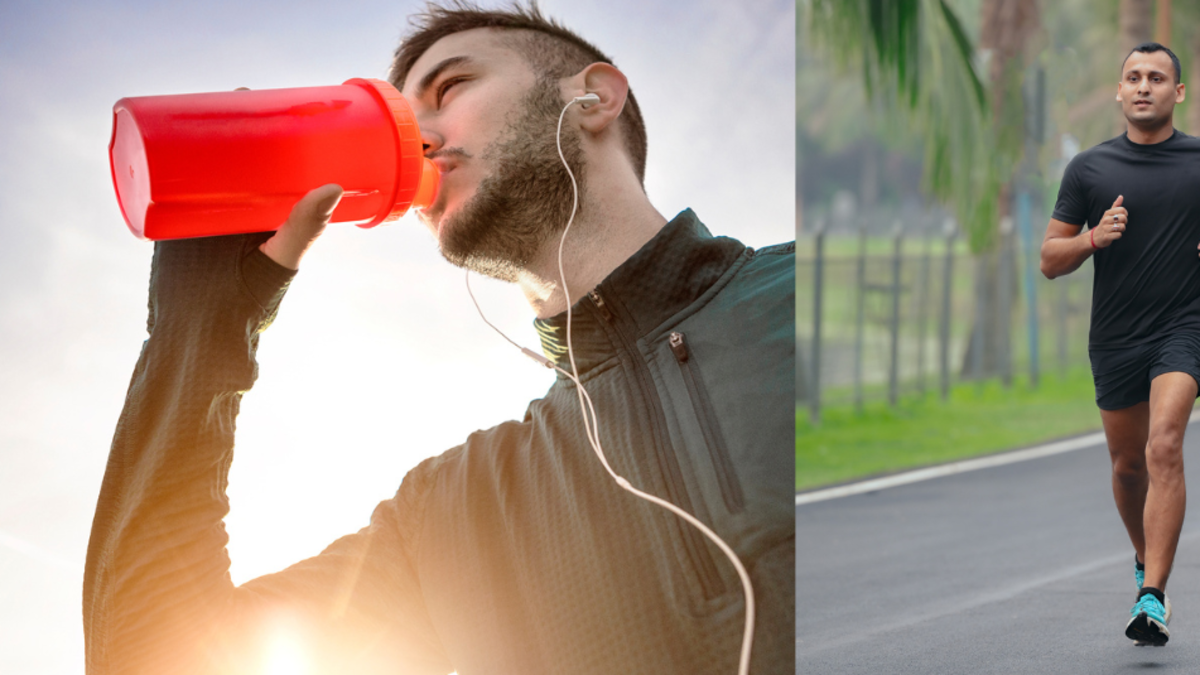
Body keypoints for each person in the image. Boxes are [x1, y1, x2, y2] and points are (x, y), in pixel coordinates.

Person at [82, 3, 795, 674]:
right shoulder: (455, 512)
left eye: (450, 87)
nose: (415, 141)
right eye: (395, 120)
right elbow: (152, 655)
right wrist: (199, 329)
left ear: (594, 98)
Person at [1040, 41, 1195, 647]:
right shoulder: (1090, 170)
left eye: (1156, 77)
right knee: (1129, 467)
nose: (1143, 86)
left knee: (1165, 443)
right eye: (1133, 77)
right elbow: (1050, 259)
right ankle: (1143, 556)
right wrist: (1093, 238)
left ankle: (1152, 596)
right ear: (1119, 91)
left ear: (1177, 92)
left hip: (1186, 327)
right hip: (1116, 336)